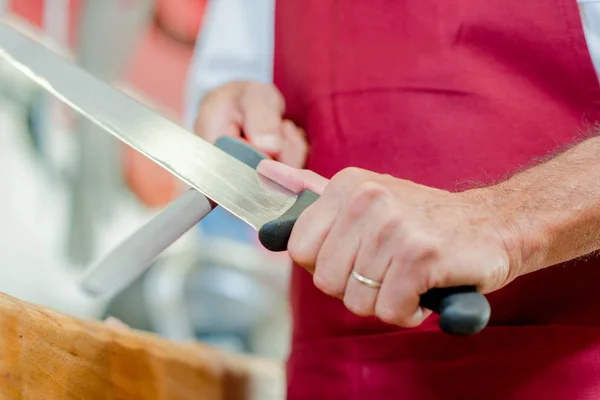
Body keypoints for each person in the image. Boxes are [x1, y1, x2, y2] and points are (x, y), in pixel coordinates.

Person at [184, 0, 600, 398]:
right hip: (337, 377)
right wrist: (247, 114)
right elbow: (235, 93)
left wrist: (502, 222)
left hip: (564, 375)